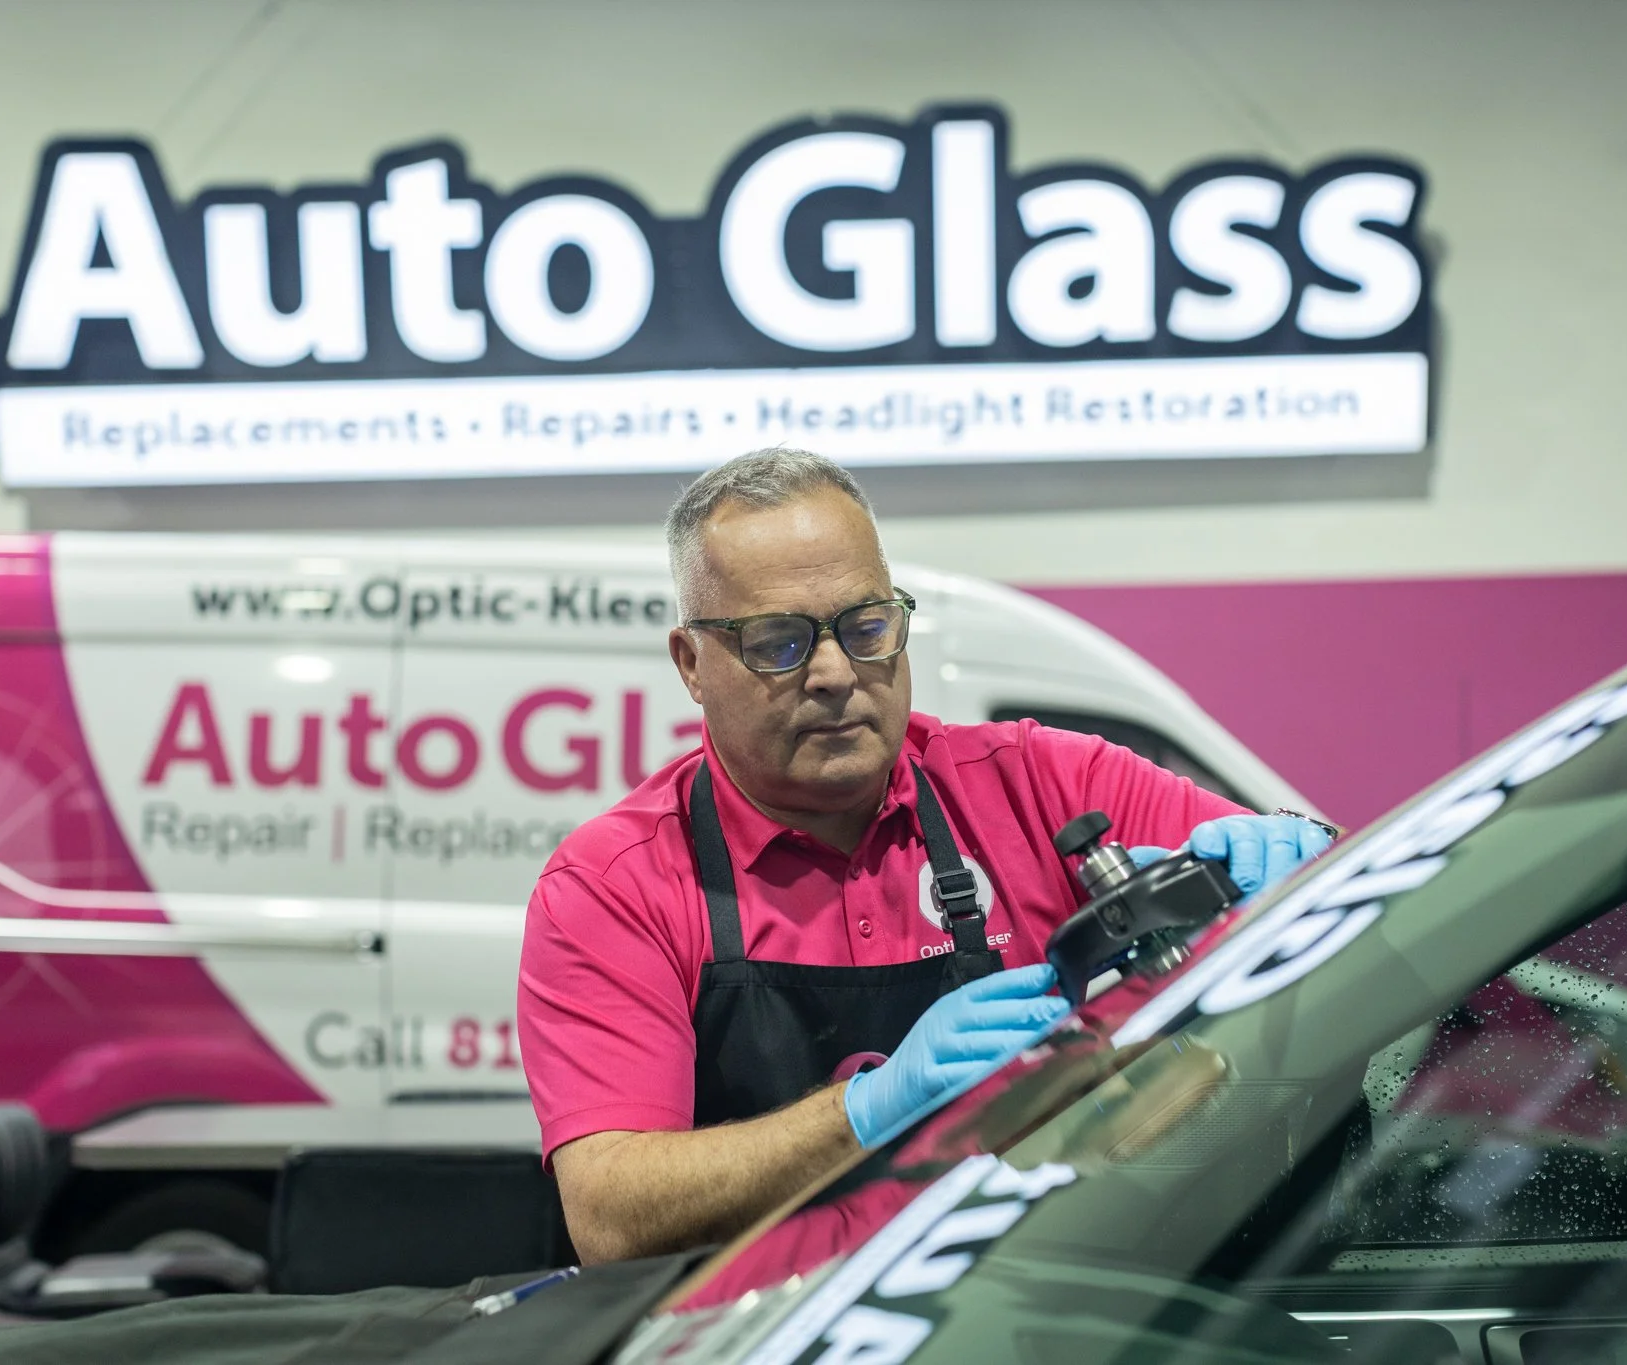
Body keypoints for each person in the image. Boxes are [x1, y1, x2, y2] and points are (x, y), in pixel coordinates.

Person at [516, 448, 1333, 1264]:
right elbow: (612, 1216)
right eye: (778, 643)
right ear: (692, 663)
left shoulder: (1046, 783)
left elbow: (1366, 894)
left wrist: (1302, 860)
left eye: (867, 625)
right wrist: (868, 1109)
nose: (836, 672)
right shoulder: (613, 885)